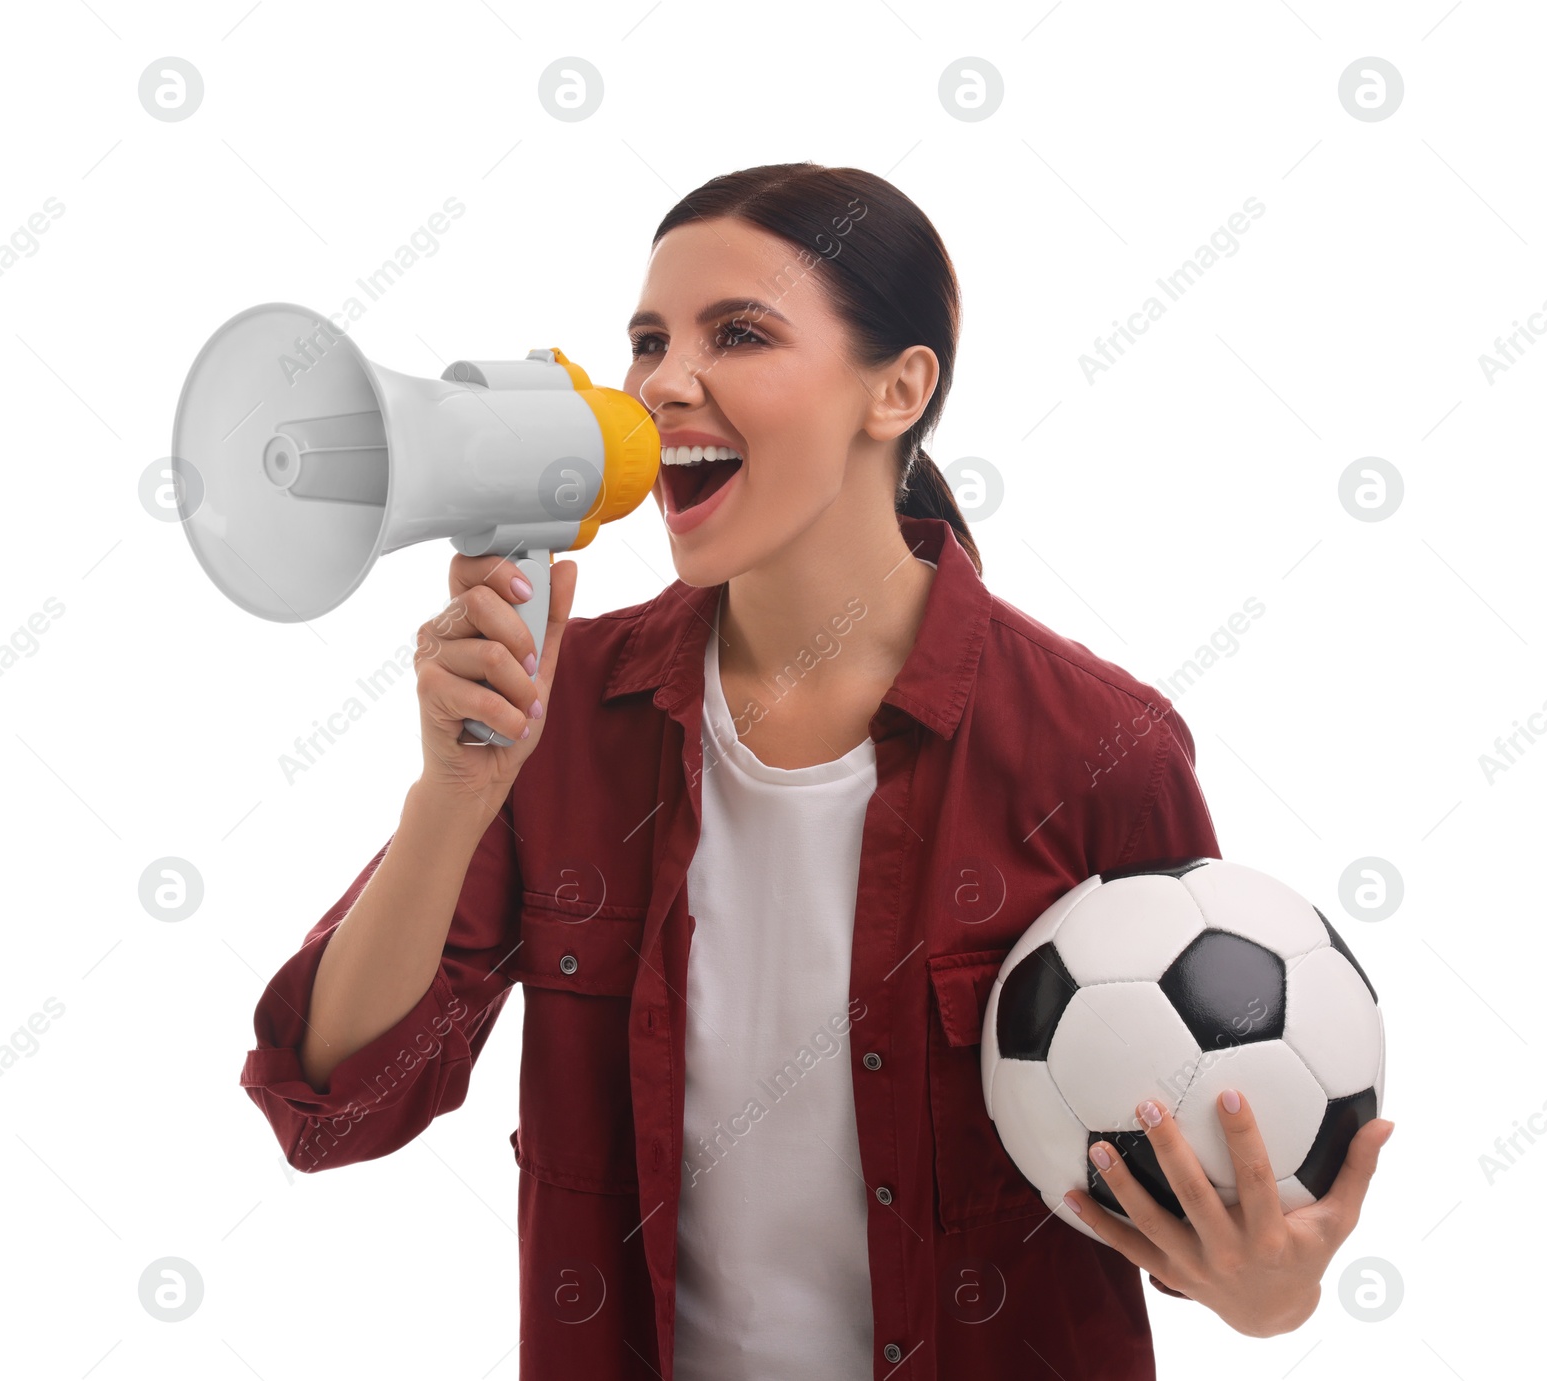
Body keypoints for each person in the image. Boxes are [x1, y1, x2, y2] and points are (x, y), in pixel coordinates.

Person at [239, 162, 1392, 1379]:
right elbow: (337, 1109)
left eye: (737, 334)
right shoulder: (566, 710)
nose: (663, 382)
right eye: (646, 339)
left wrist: (1272, 1297)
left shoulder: (1095, 745)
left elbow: (1197, 1188)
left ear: (897, 389)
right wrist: (456, 795)